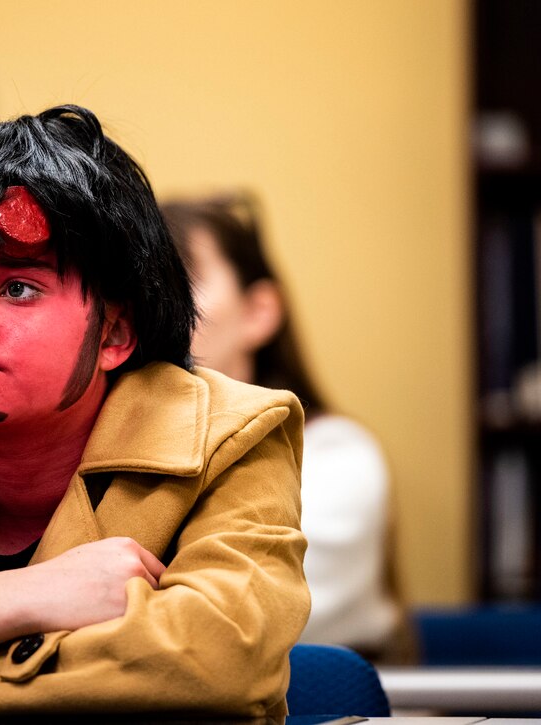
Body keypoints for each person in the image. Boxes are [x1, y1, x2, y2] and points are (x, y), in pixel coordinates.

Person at [0, 105, 310, 719]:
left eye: (17, 287)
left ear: (114, 332)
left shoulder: (231, 438)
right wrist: (7, 599)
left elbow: (218, 661)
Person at [162, 193, 409, 663]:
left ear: (258, 312)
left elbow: (251, 610)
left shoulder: (337, 456)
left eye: (182, 280)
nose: (156, 307)